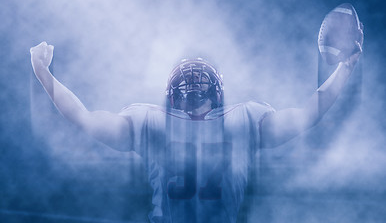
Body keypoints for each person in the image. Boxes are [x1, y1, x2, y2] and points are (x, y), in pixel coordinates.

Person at [30, 24, 363, 222]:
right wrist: (343, 68)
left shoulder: (151, 120)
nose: (194, 78)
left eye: (199, 74)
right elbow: (309, 114)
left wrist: (44, 74)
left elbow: (83, 119)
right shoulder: (244, 118)